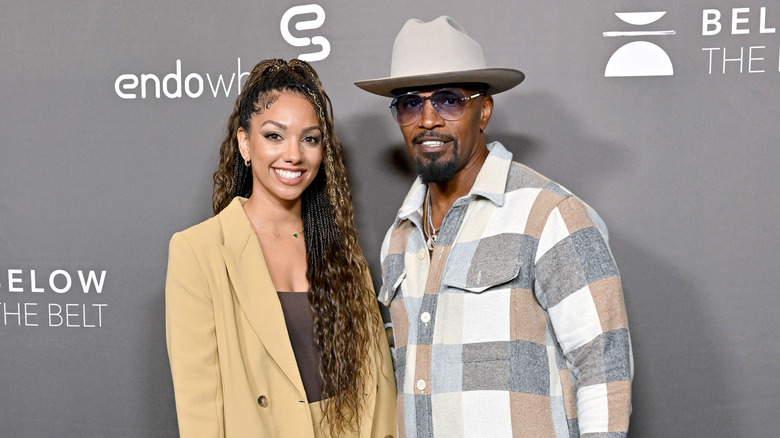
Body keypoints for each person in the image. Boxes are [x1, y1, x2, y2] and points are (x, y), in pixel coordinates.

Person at [355, 16, 633, 437]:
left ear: (483, 110)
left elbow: (604, 366)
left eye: (448, 100)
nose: (427, 119)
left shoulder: (550, 214)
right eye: (411, 103)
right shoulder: (400, 237)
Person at [166, 58, 396, 438]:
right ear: (245, 142)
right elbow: (199, 409)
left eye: (310, 138)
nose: (294, 154)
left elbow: (380, 386)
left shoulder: (341, 251)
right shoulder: (200, 251)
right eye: (274, 135)